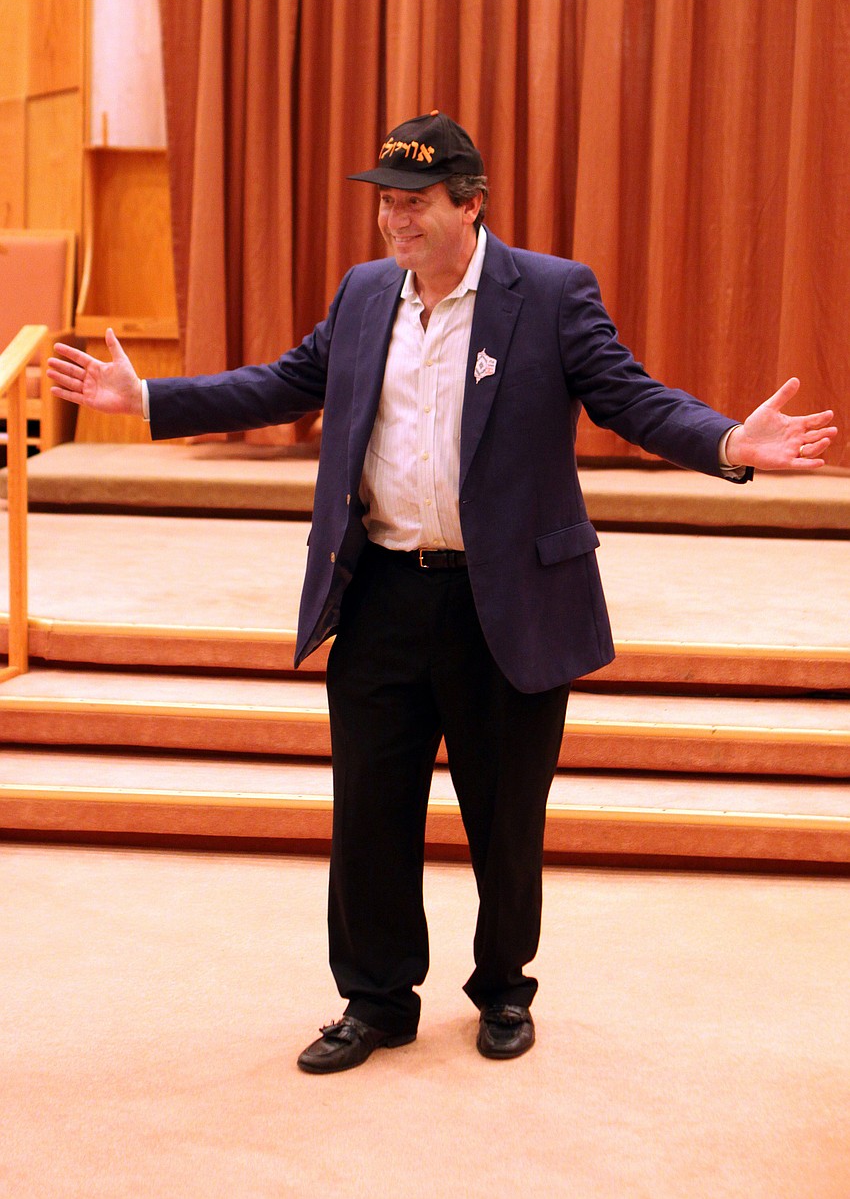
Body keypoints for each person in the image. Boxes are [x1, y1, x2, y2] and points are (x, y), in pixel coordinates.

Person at [48, 111, 837, 1074]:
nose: (394, 221)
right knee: (369, 810)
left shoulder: (547, 293)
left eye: (414, 202)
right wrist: (151, 400)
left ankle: (504, 986)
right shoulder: (366, 292)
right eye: (386, 201)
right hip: (380, 588)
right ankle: (375, 998)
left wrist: (723, 441)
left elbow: (631, 398)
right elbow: (289, 381)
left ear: (470, 203)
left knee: (506, 816)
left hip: (501, 599)